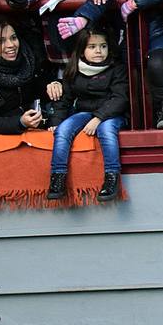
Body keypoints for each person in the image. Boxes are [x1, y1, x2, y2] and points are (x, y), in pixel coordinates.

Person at [47, 29, 129, 202]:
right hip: (85, 112)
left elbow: (120, 98)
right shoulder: (75, 68)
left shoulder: (116, 69)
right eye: (92, 47)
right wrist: (56, 121)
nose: (98, 51)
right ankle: (57, 178)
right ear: (82, 50)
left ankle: (111, 178)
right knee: (63, 130)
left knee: (106, 131)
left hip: (111, 114)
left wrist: (98, 118)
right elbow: (65, 100)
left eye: (103, 46)